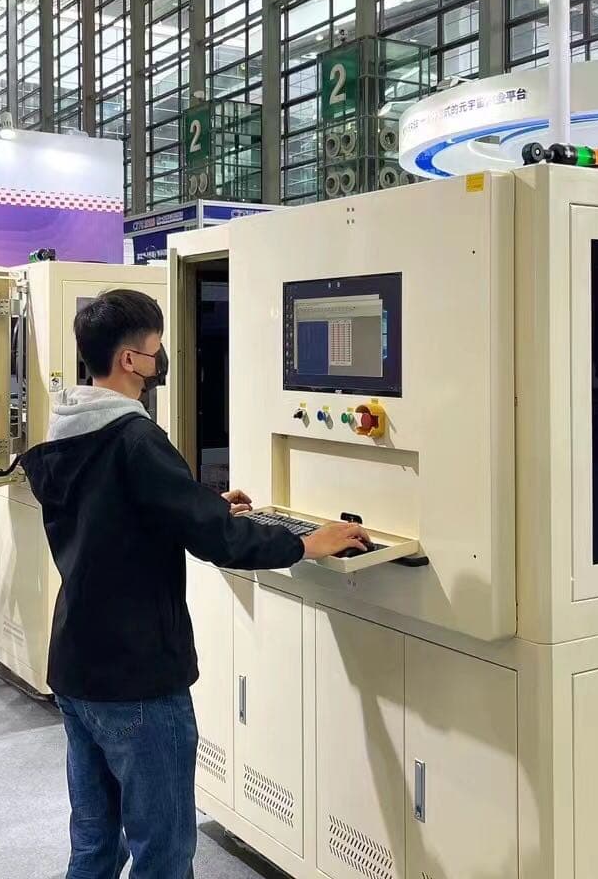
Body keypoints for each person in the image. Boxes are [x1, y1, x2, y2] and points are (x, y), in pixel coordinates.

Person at [20, 290, 369, 879]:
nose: (161, 359)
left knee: (95, 844)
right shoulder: (134, 438)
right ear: (130, 360)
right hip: (137, 675)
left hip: (78, 665)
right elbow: (218, 541)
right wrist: (307, 543)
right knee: (163, 851)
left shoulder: (69, 430)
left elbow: (117, 512)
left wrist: (195, 501)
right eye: (156, 348)